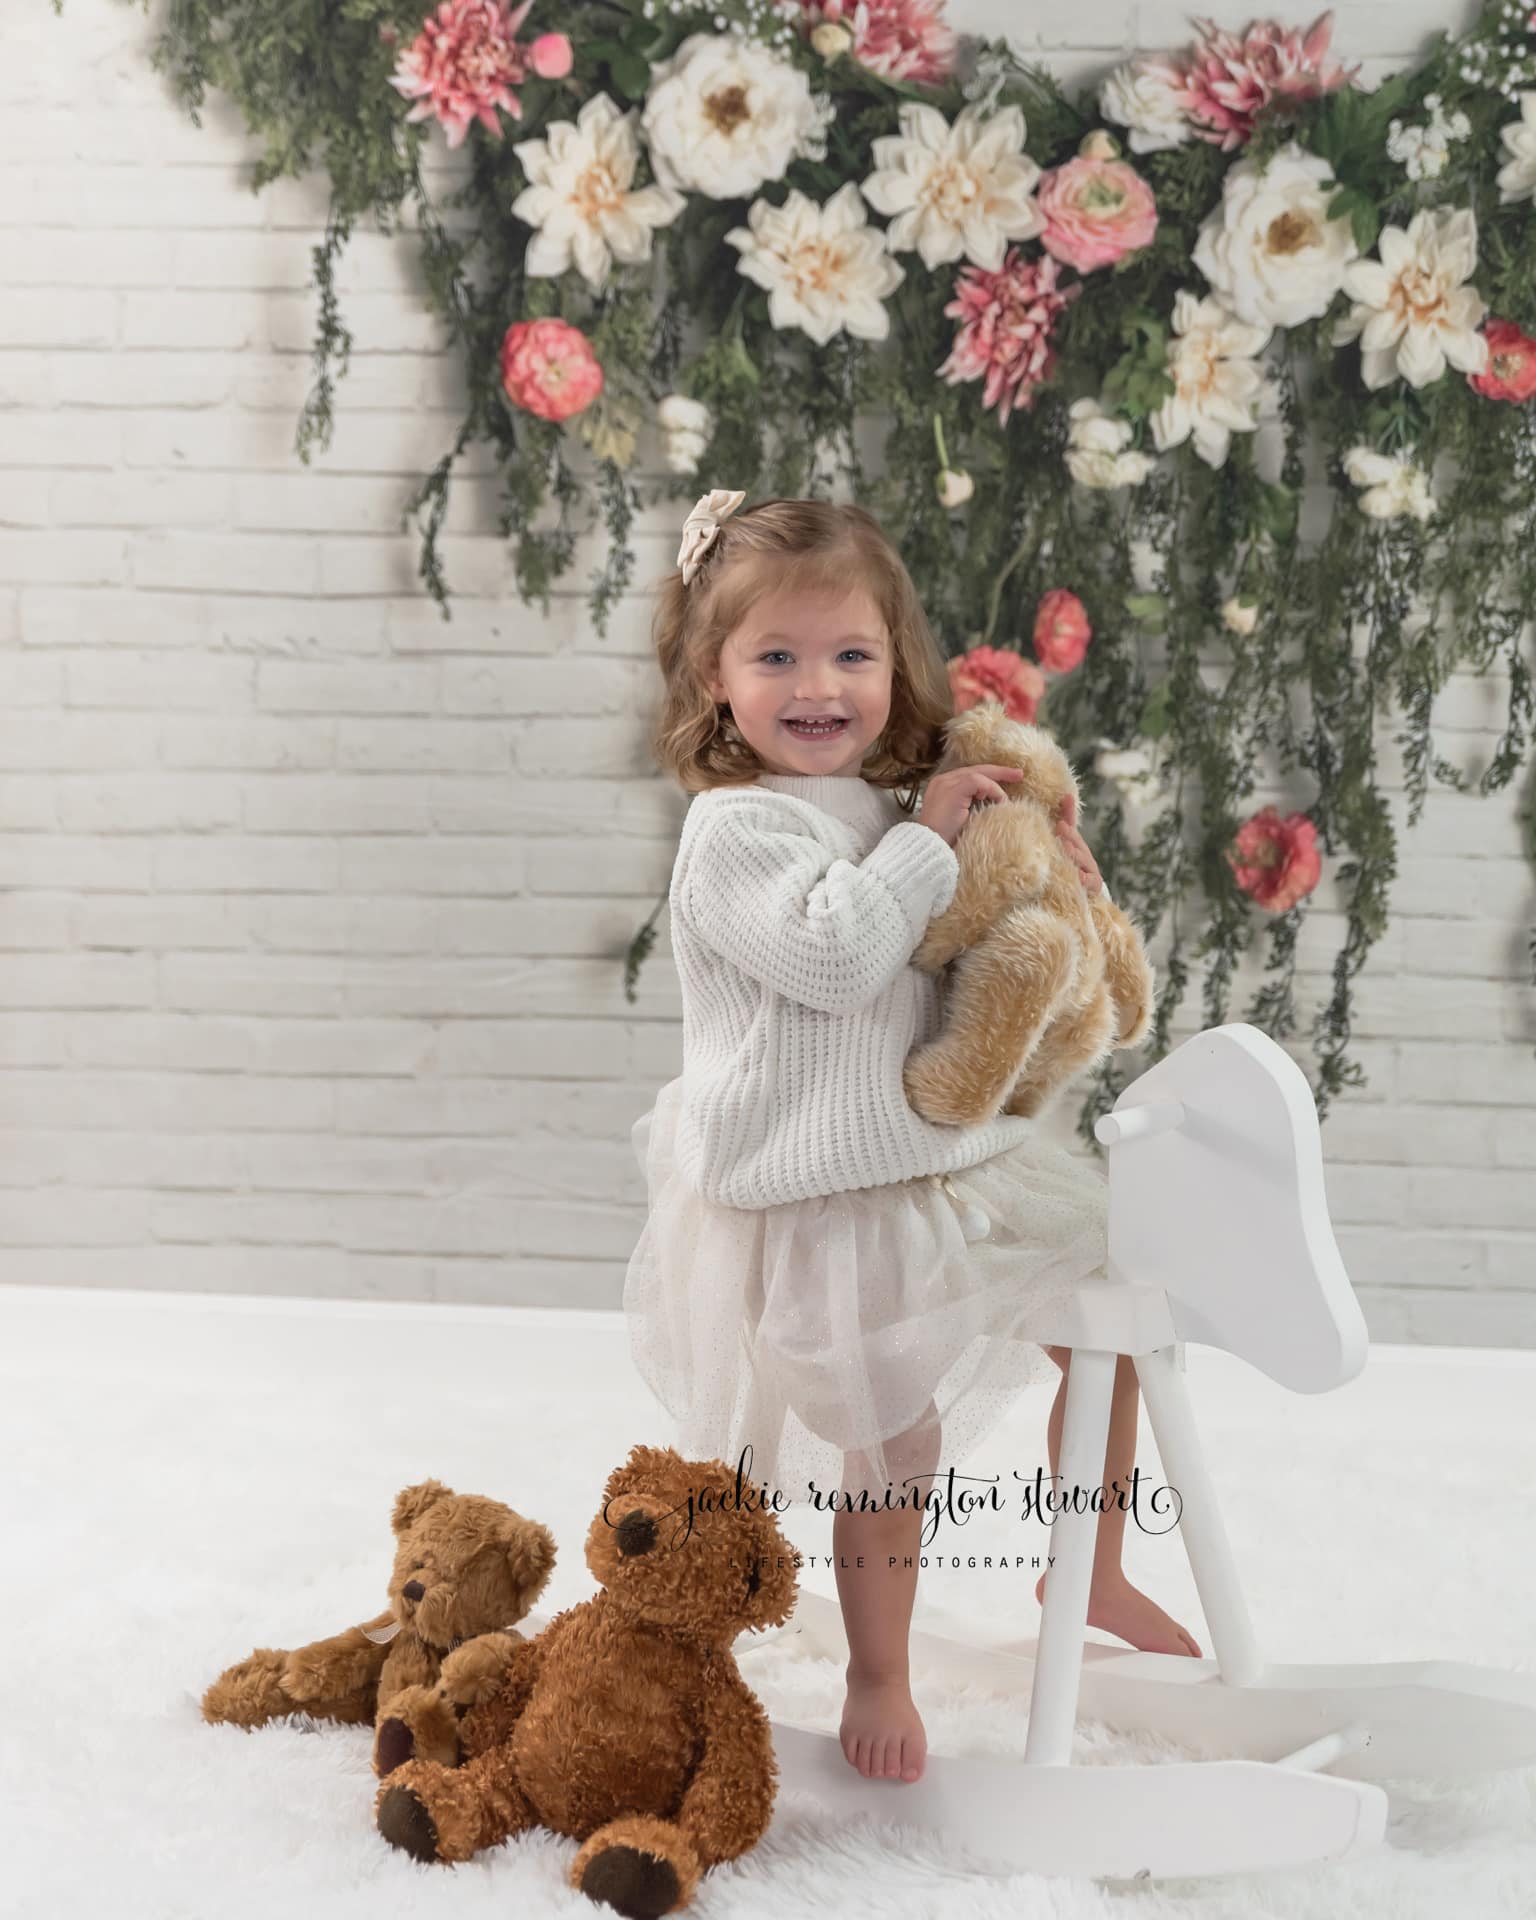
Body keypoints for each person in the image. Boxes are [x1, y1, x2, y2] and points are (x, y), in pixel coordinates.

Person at [623, 489, 1201, 1790]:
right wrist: (931, 838)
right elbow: (837, 957)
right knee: (894, 1447)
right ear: (715, 679)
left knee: (1115, 1317)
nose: (817, 687)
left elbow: (958, 940)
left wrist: (1040, 864)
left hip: (940, 1160)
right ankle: (877, 1672)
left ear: (896, 662)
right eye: (776, 657)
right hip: (825, 1183)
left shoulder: (891, 806)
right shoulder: (736, 831)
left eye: (851, 654)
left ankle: (1093, 1565)